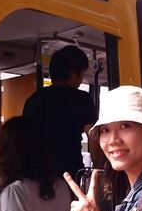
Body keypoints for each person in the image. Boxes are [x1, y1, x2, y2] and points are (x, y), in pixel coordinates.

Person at [23, 44, 98, 178]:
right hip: (70, 172)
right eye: (81, 74)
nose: (81, 80)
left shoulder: (33, 100)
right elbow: (93, 137)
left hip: (37, 174)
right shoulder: (82, 99)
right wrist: (99, 170)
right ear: (73, 73)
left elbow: (25, 139)